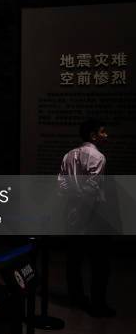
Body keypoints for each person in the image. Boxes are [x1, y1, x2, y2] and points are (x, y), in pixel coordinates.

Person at [58, 119, 114, 317]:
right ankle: (97, 305)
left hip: (73, 214)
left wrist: (74, 198)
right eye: (103, 131)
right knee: (100, 264)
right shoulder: (98, 157)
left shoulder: (68, 155)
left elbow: (62, 185)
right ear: (93, 135)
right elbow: (92, 188)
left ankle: (77, 298)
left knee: (74, 260)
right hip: (92, 216)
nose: (106, 135)